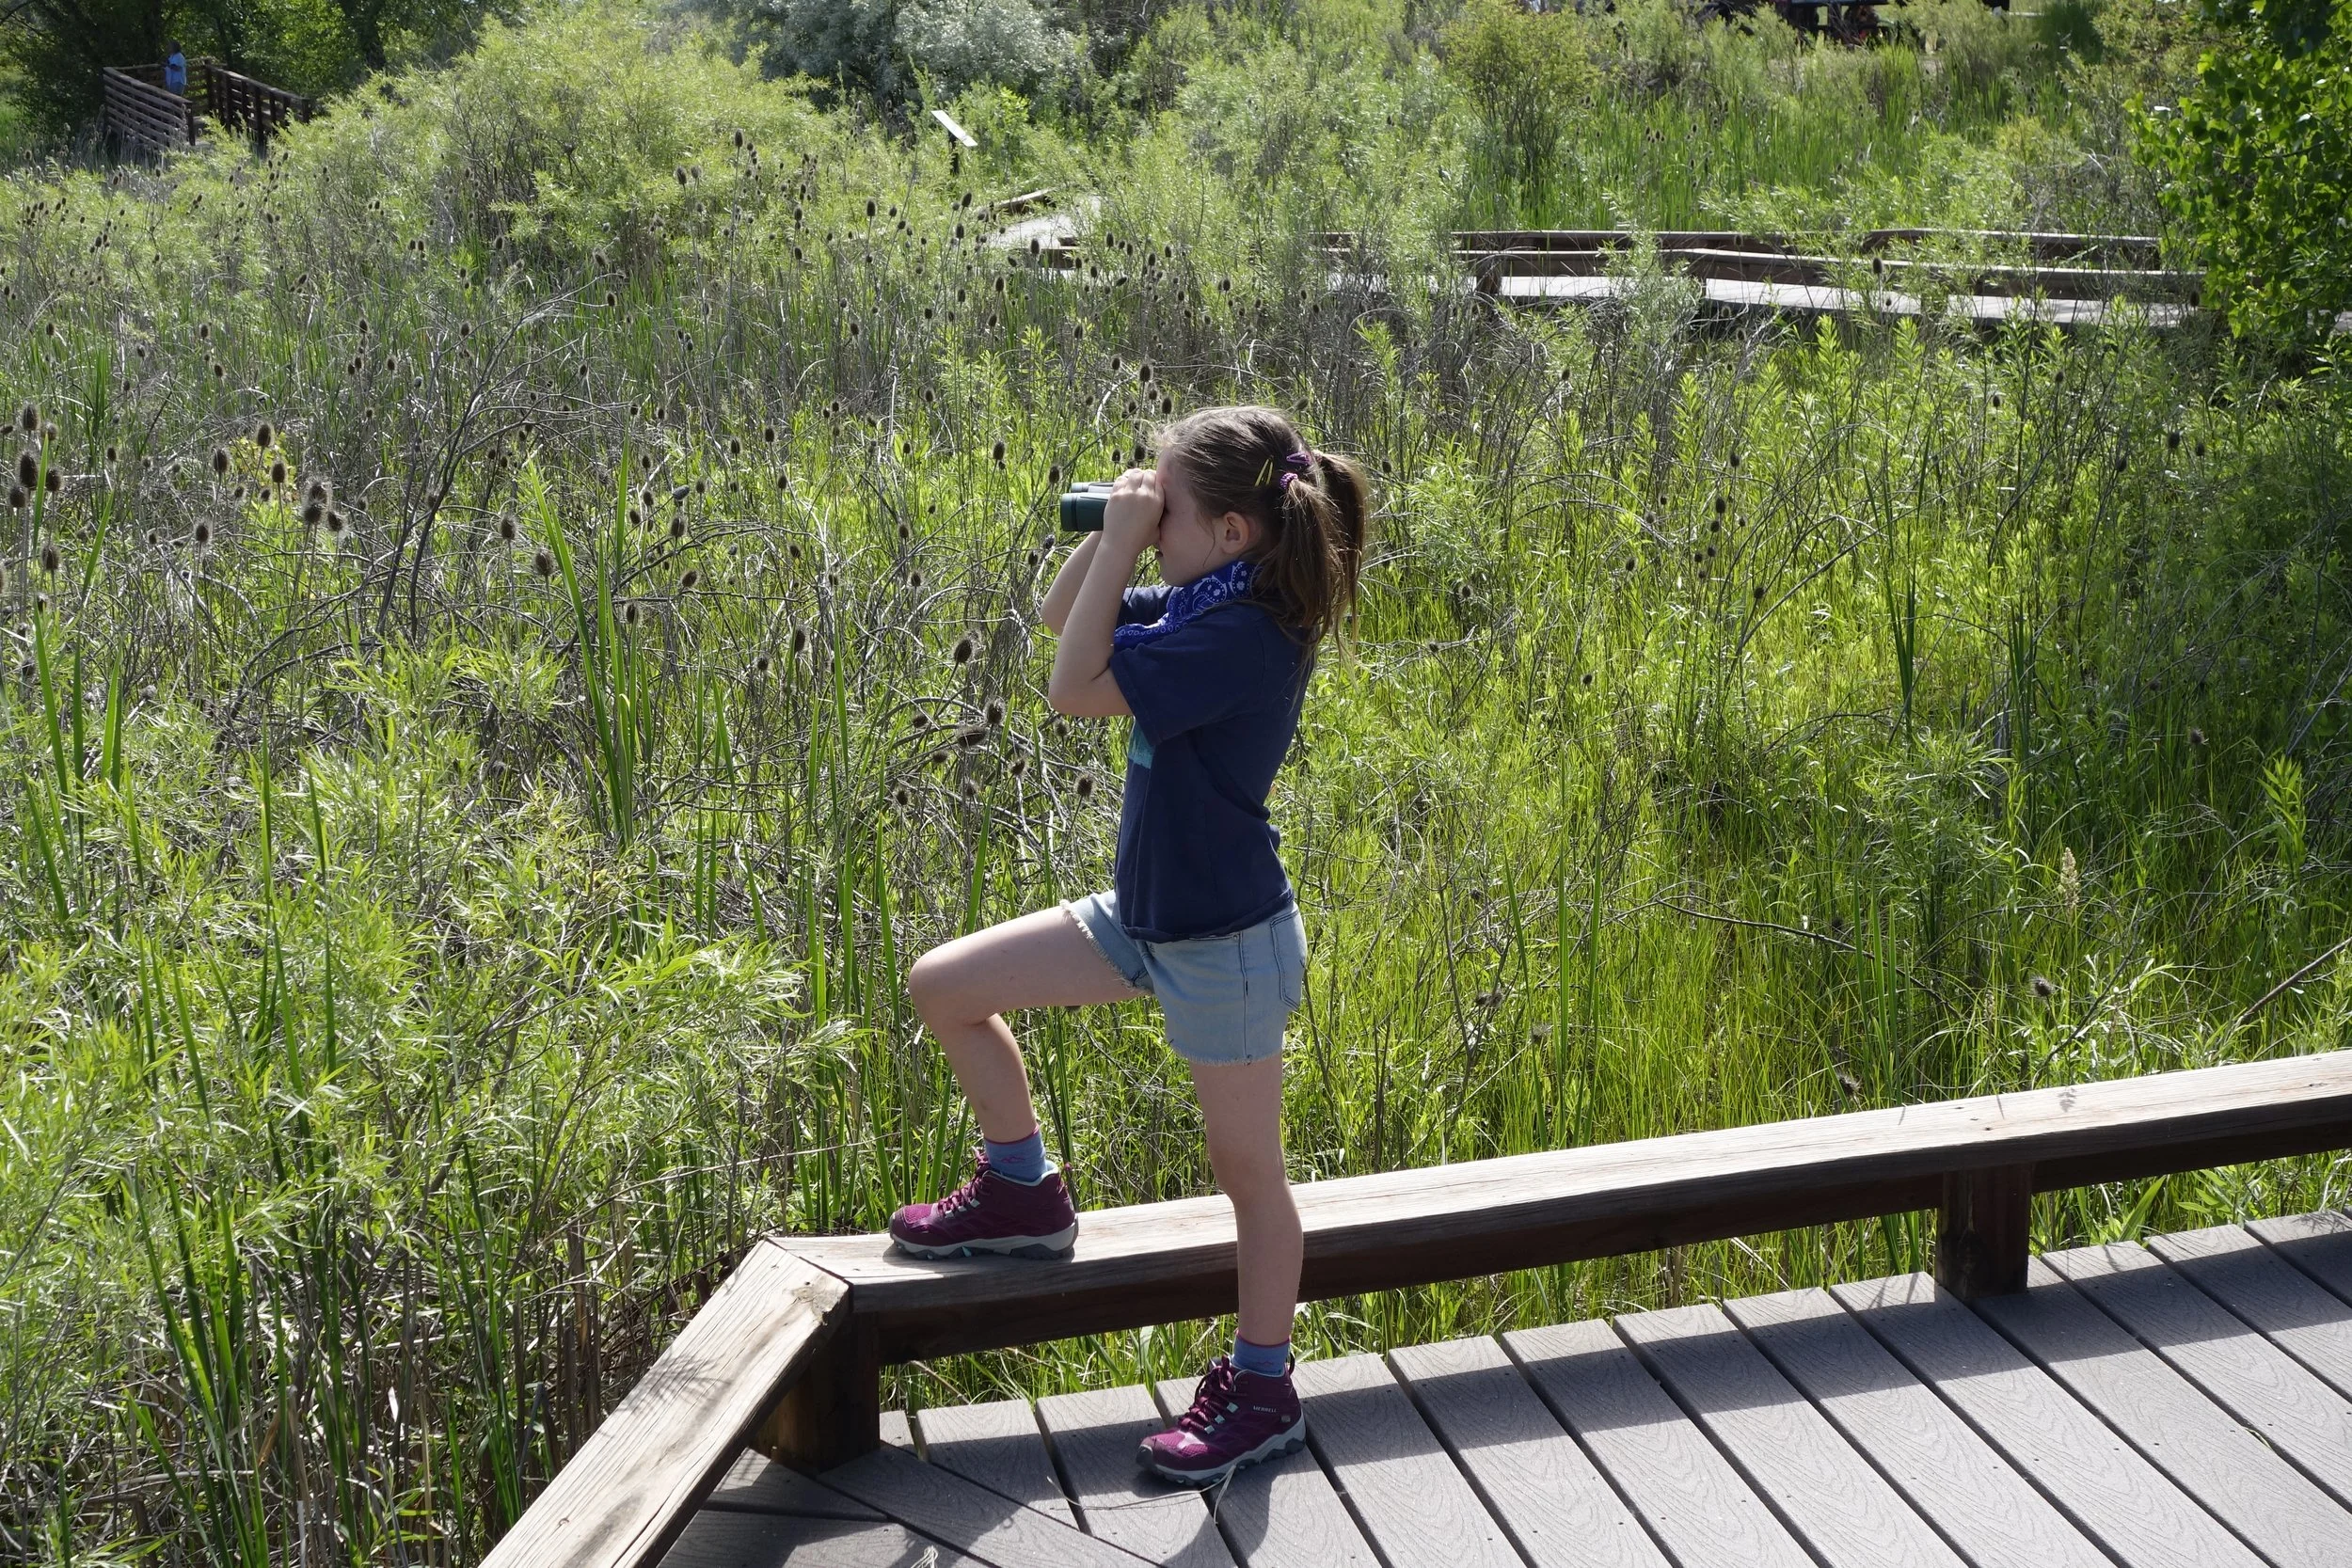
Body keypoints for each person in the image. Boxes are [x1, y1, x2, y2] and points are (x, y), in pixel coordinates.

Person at [890, 404, 1371, 1487]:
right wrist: (1119, 530)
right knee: (944, 986)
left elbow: (1071, 692)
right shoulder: (1209, 592)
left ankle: (1261, 1387)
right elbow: (1059, 615)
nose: (1151, 523)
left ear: (1235, 532)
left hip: (1224, 939)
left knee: (1249, 1172)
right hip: (1149, 912)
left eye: (1171, 510)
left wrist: (1122, 538)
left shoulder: (1242, 632)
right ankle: (1021, 1191)